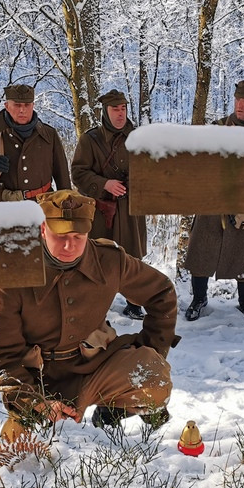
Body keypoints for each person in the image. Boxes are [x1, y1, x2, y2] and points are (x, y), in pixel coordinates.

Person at [0, 190, 179, 442]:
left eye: (77, 236)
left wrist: (152, 350)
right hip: (38, 381)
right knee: (18, 447)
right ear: (42, 229)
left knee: (153, 378)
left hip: (94, 366)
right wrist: (33, 401)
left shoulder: (110, 261)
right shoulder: (12, 275)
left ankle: (112, 411)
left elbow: (161, 293)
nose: (68, 245)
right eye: (59, 235)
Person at [183, 79, 244, 325]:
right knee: (201, 252)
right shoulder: (218, 128)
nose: (239, 104)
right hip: (214, 203)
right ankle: (199, 300)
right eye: (237, 99)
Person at [71, 88, 148, 320]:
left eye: (123, 108)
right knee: (98, 257)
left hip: (131, 209)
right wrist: (104, 184)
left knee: (132, 257)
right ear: (105, 111)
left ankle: (134, 303)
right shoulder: (90, 140)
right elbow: (78, 173)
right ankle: (95, 303)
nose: (120, 113)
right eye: (115, 109)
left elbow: (152, 169)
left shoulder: (138, 138)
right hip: (103, 209)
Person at [0, 84, 71, 204]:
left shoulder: (49, 135)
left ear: (33, 106)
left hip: (42, 207)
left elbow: (62, 175)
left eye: (27, 105)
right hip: (3, 209)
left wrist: (66, 202)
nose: (22, 110)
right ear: (7, 106)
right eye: (17, 105)